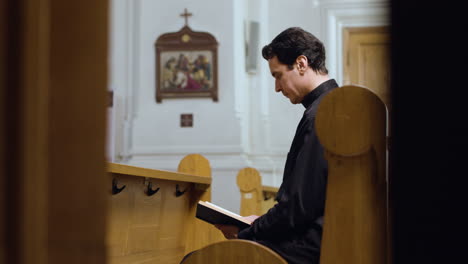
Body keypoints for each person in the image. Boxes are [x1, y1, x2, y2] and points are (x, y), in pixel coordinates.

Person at [215, 27, 339, 264]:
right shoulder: (332, 104)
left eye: (278, 75)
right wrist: (257, 223)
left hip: (312, 246)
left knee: (201, 259)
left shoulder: (322, 114)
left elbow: (300, 207)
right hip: (320, 236)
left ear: (301, 64)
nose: (277, 87)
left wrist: (249, 230)